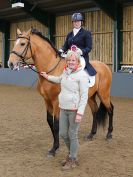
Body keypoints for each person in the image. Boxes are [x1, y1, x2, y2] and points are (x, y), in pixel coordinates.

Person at [40, 50, 89, 170]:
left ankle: (72, 158)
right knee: (62, 133)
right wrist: (47, 76)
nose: (71, 62)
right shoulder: (66, 72)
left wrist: (80, 112)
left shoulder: (82, 75)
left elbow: (84, 96)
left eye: (73, 60)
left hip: (74, 109)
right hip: (63, 108)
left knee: (72, 134)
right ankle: (73, 153)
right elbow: (59, 79)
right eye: (69, 60)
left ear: (77, 61)